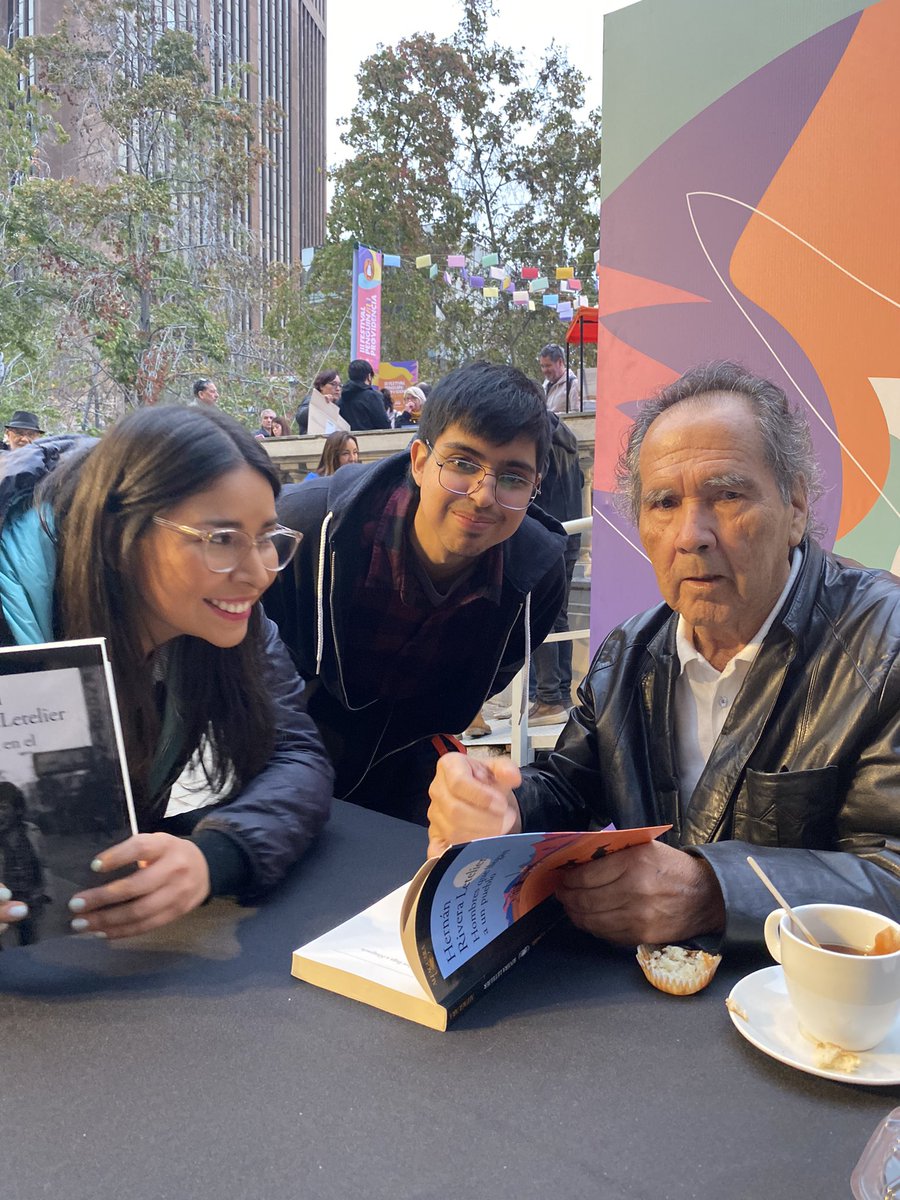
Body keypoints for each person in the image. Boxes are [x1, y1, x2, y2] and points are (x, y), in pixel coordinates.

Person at [426, 361, 900, 951]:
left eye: (727, 495)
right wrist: (504, 807)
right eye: (664, 503)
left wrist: (712, 891)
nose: (691, 534)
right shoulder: (627, 656)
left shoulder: (885, 647)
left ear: (796, 509)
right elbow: (572, 791)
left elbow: (891, 873)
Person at [0, 406, 333, 941]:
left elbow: (295, 752)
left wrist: (215, 855)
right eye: (221, 538)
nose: (256, 574)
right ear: (119, 536)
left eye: (267, 537)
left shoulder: (228, 617)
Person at [265, 361, 568, 824]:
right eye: (464, 464)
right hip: (283, 765)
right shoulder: (304, 528)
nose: (484, 495)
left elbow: (489, 679)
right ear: (421, 460)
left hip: (413, 776)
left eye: (511, 477)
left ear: (534, 489)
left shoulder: (537, 575)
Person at [528, 410, 585, 724]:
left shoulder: (537, 437)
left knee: (543, 617)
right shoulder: (568, 438)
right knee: (557, 617)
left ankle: (549, 698)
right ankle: (558, 696)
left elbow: (533, 488)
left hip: (548, 537)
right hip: (569, 537)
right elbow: (579, 482)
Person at [338, 360, 391, 431]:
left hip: (347, 440)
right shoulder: (372, 396)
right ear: (369, 376)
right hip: (371, 440)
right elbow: (384, 425)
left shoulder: (341, 399)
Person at [538, 344, 582, 414]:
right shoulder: (545, 385)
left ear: (560, 362)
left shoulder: (573, 384)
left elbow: (577, 417)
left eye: (548, 366)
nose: (544, 370)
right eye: (542, 366)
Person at [295, 370, 341, 435]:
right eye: (333, 384)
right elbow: (300, 417)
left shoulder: (338, 405)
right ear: (321, 386)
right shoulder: (311, 399)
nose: (338, 388)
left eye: (339, 385)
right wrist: (321, 403)